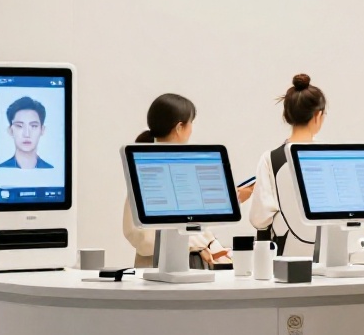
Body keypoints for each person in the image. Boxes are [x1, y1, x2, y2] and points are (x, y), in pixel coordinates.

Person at [121, 93, 254, 269]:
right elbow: (146, 240)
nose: (191, 129)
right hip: (158, 271)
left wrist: (231, 200)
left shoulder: (150, 167)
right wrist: (197, 243)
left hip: (184, 268)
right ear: (179, 128)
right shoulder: (148, 170)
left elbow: (190, 220)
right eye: (191, 123)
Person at [249, 74, 326, 257]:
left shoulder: (271, 158)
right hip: (327, 253)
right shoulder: (329, 157)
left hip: (285, 256)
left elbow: (259, 218)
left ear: (287, 115)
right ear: (318, 116)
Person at [0, 96, 53, 169]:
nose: (27, 134)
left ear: (42, 130)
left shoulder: (50, 170)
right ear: (10, 131)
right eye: (19, 126)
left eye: (33, 126)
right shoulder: (1, 170)